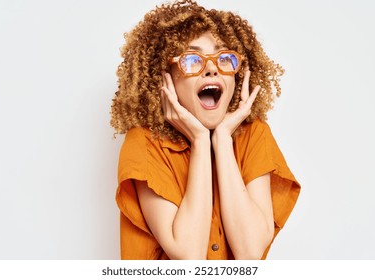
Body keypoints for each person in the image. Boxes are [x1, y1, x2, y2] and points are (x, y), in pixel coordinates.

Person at [110, 0, 300, 260]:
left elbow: (250, 253)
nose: (211, 68)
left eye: (224, 58)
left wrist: (221, 139)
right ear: (165, 77)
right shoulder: (144, 143)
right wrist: (200, 140)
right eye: (192, 60)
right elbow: (189, 257)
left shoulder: (254, 134)